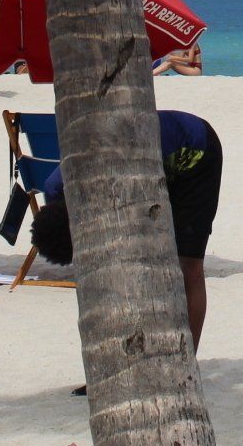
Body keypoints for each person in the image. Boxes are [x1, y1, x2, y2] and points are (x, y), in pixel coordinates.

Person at [31, 109, 222, 393]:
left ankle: (184, 366)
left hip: (195, 154)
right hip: (150, 165)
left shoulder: (115, 176)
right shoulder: (56, 188)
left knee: (188, 267)